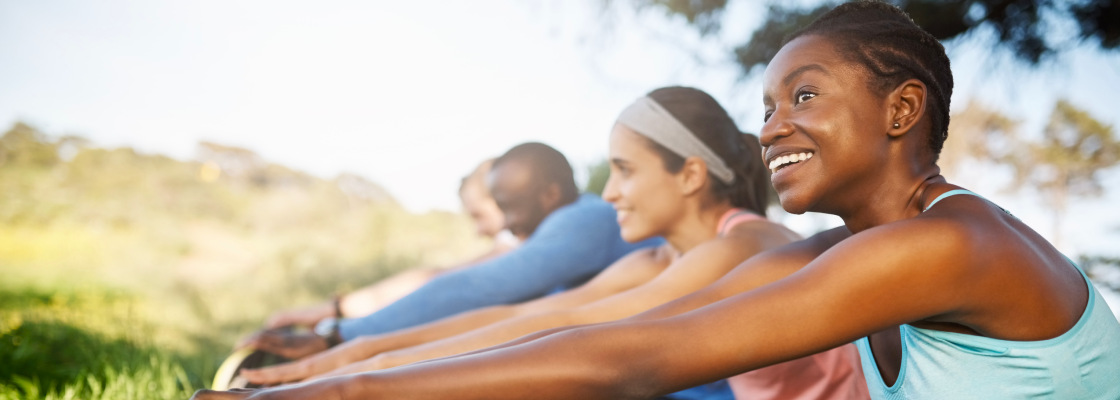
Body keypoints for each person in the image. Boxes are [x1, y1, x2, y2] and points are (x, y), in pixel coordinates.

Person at [191, 2, 1120, 399]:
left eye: (803, 97)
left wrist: (337, 382)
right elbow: (562, 322)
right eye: (765, 107)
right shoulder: (844, 250)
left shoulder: (951, 244)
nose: (771, 129)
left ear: (902, 108)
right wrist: (329, 372)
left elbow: (633, 359)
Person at [238, 87, 867, 399]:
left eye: (625, 169)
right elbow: (530, 315)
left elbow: (590, 338)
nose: (609, 190)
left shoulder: (744, 244)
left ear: (691, 174)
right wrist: (343, 362)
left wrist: (347, 382)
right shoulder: (658, 257)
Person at [236, 141, 662, 362]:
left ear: (550, 195)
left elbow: (475, 289)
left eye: (509, 207)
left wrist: (340, 335)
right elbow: (452, 280)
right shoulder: (566, 227)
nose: (506, 222)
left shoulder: (581, 223)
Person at [252, 159, 519, 335]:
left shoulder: (519, 249)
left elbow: (439, 278)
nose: (478, 231)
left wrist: (336, 311)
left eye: (478, 216)